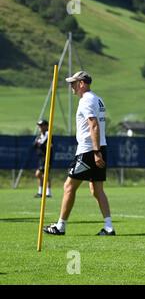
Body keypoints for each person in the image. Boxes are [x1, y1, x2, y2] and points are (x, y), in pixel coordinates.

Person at [43, 71, 115, 236]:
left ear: (82, 83)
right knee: (97, 190)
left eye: (73, 83)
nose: (71, 87)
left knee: (69, 186)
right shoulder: (97, 98)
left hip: (89, 150)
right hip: (99, 147)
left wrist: (96, 152)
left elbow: (94, 125)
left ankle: (60, 226)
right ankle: (109, 227)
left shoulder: (86, 100)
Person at [33, 119, 53, 198]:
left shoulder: (48, 135)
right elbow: (34, 145)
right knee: (39, 174)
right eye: (39, 125)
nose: (40, 127)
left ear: (46, 126)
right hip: (41, 158)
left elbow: (42, 144)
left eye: (41, 125)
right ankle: (40, 192)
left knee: (45, 175)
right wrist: (38, 142)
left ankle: (48, 192)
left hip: (46, 158)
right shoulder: (39, 136)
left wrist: (39, 143)